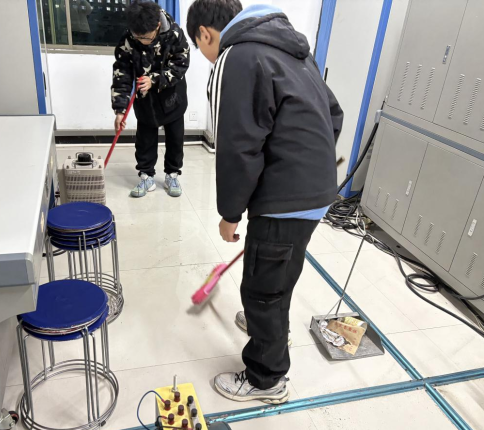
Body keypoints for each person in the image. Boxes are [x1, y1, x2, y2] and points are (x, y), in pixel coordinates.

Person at [187, 0, 343, 404]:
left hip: (284, 197)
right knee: (279, 273)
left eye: (201, 48)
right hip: (314, 191)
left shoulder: (237, 56)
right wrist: (312, 167)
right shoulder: (292, 47)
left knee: (260, 289)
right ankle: (270, 327)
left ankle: (265, 378)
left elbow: (238, 147)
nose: (208, 57)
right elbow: (333, 113)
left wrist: (229, 213)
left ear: (205, 33)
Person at [112, 1, 190, 198]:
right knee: (145, 140)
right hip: (145, 100)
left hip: (172, 97)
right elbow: (121, 73)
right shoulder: (129, 38)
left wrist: (155, 79)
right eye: (137, 37)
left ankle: (172, 174)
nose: (141, 41)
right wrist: (120, 110)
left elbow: (181, 64)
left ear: (157, 26)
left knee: (175, 139)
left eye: (145, 37)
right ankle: (146, 175)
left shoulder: (174, 34)